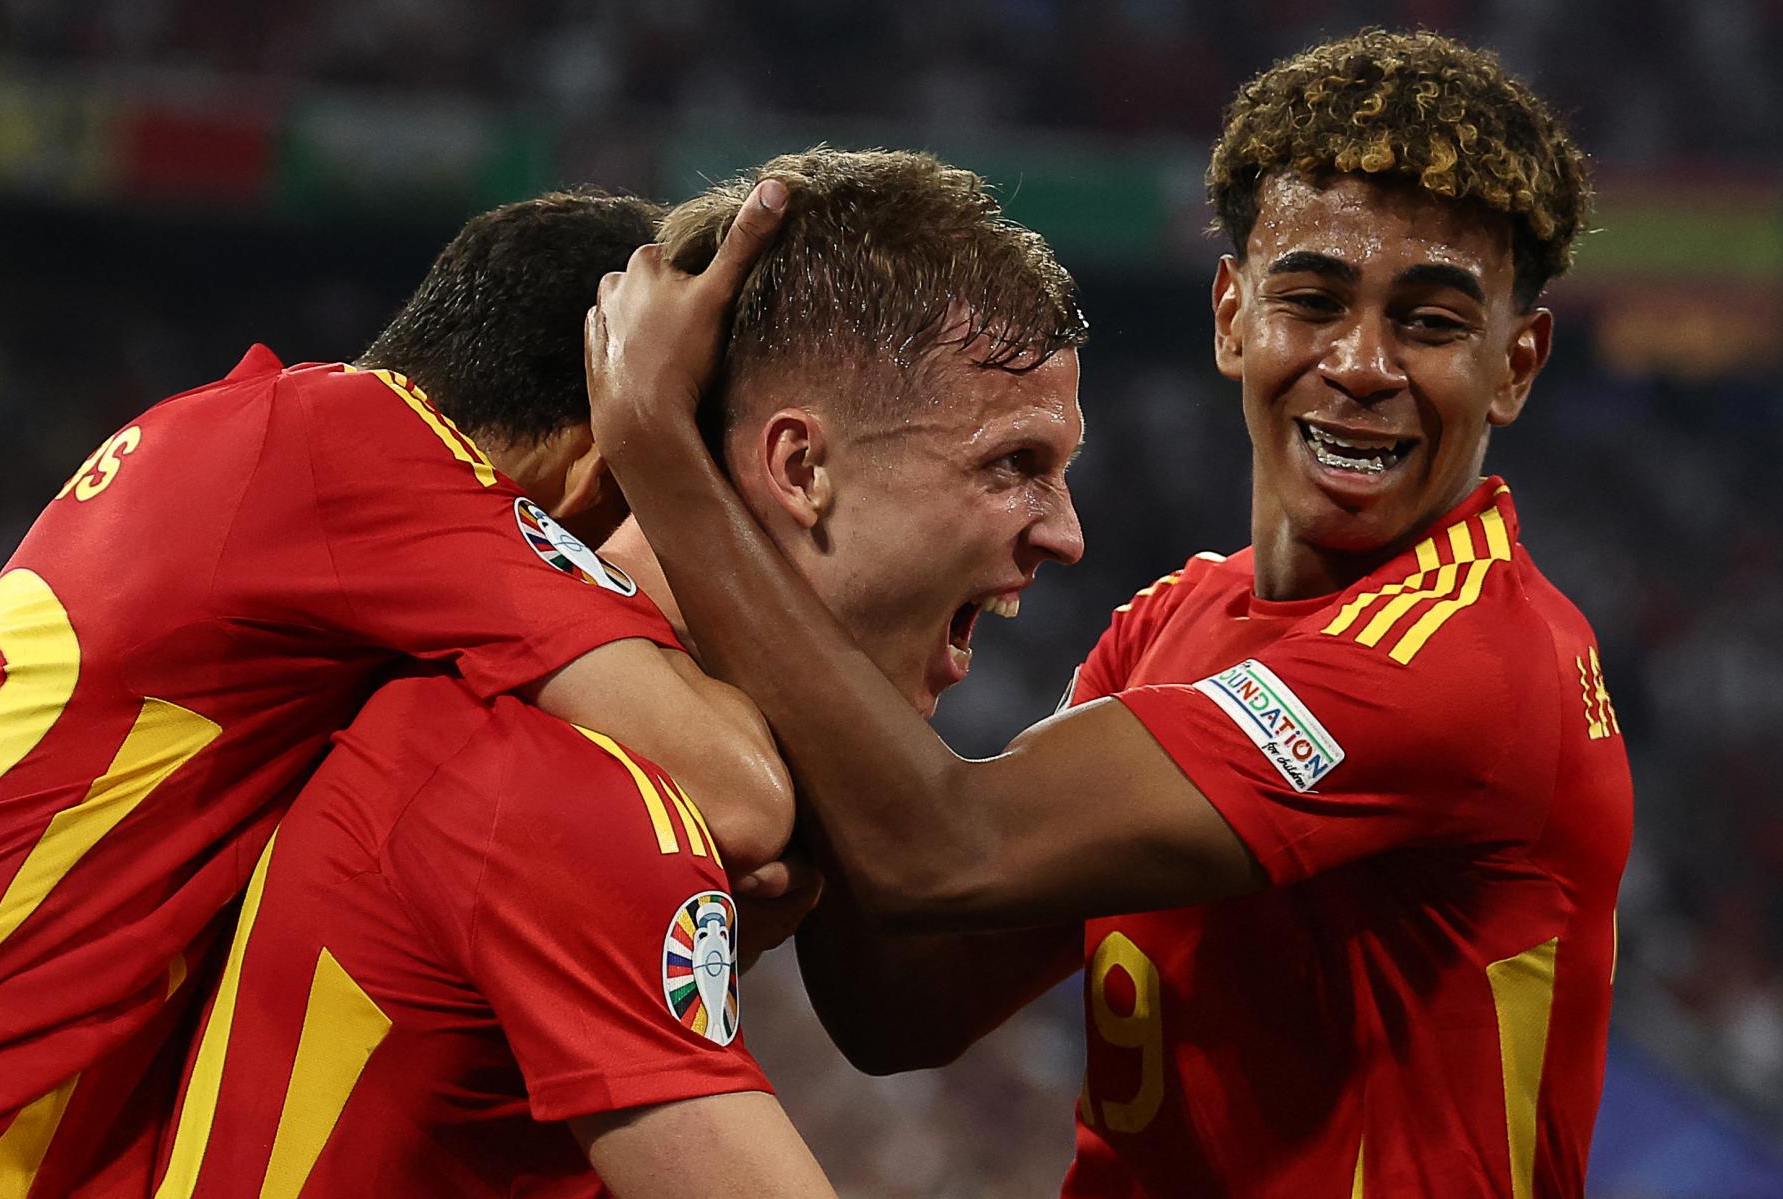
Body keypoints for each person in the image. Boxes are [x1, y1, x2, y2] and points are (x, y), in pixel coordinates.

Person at [587, 30, 1631, 1198]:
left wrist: (658, 451)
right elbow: (907, 1004)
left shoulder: (1466, 657)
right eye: (1312, 299)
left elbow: (945, 848)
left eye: (1430, 323)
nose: (1360, 362)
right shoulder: (1174, 622)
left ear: (1515, 363)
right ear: (1232, 315)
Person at [0, 188, 793, 1199]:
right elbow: (741, 794)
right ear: (590, 457)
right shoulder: (364, 455)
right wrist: (659, 437)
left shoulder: (241, 436)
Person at [146, 147, 1089, 1199]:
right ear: (798, 467)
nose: (1066, 535)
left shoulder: (557, 721)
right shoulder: (562, 774)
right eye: (1013, 465)